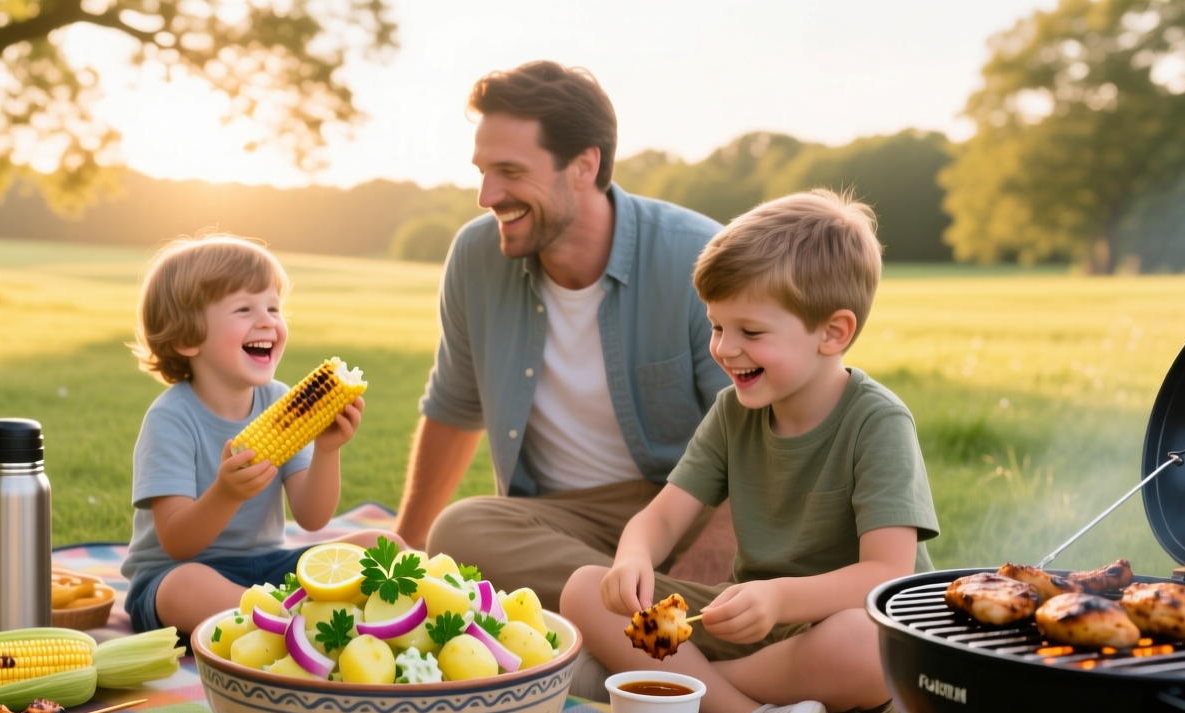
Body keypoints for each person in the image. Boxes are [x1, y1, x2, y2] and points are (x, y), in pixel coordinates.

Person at [560, 190, 940, 713]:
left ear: (833, 332)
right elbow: (664, 514)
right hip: (744, 620)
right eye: (716, 326)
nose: (724, 348)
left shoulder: (877, 421)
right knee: (584, 589)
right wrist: (633, 558)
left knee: (869, 647)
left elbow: (886, 574)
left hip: (835, 632)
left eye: (750, 332)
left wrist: (780, 597)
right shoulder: (734, 412)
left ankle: (667, 685)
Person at [396, 60, 737, 630]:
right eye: (482, 171)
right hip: (560, 521)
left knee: (786, 550)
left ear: (584, 165)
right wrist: (404, 552)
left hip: (686, 507)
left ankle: (611, 625)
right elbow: (453, 410)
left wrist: (707, 557)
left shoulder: (699, 256)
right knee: (456, 532)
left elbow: (767, 434)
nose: (486, 194)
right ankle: (658, 624)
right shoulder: (475, 258)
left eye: (509, 171)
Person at [120, 234, 393, 635]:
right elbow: (177, 541)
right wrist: (225, 494)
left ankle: (281, 618)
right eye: (244, 309)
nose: (267, 321)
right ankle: (301, 622)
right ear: (187, 337)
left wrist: (327, 450)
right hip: (178, 573)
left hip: (266, 567)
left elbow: (313, 517)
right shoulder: (171, 418)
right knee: (186, 588)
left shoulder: (279, 399)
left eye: (273, 307)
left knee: (382, 549)